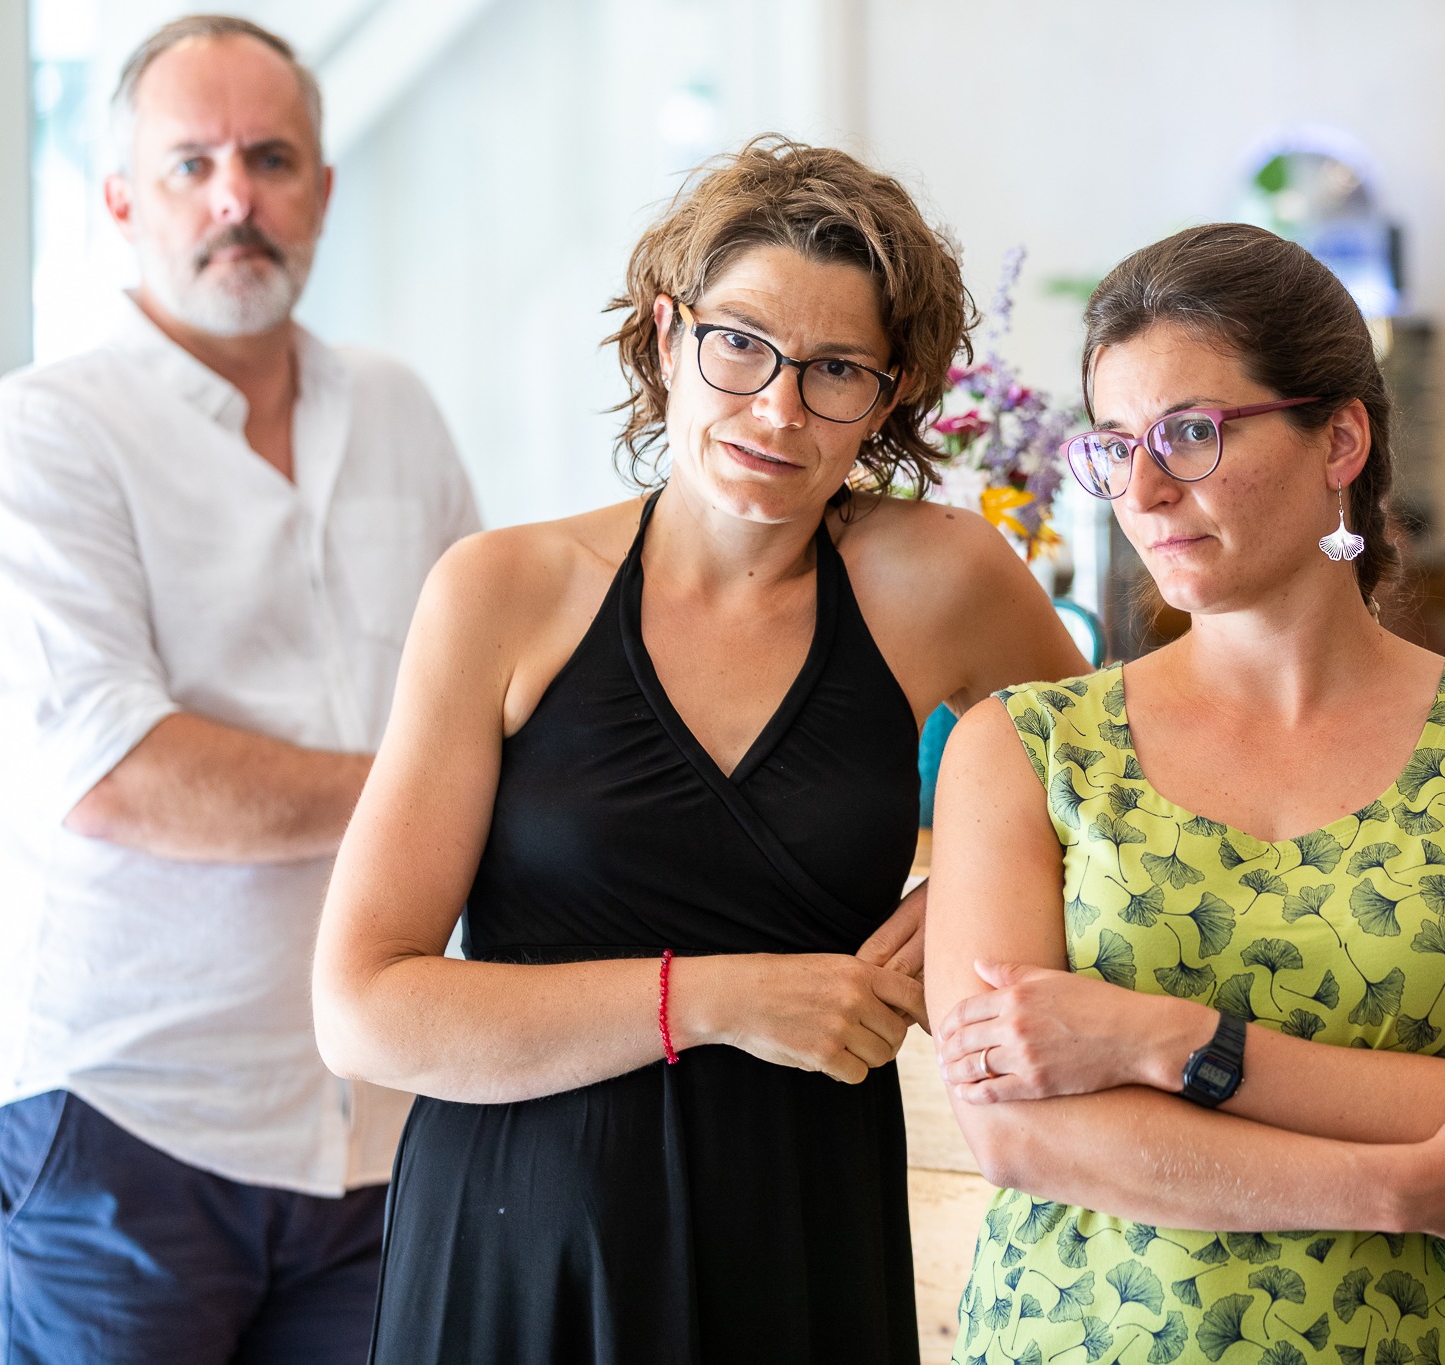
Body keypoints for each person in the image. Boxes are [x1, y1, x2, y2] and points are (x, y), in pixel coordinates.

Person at [309, 136, 1085, 1364]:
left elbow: (1119, 807)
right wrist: (724, 997)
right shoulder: (501, 590)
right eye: (741, 344)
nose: (777, 408)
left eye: (835, 370)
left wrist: (957, 905)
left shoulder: (942, 580)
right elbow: (364, 1012)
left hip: (797, 1221)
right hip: (519, 1241)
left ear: (889, 398)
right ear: (669, 337)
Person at [926, 223, 1445, 1364]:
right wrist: (1399, 1188)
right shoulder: (1025, 746)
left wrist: (1164, 1040)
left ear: (1340, 438)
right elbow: (1019, 1136)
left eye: (1190, 432)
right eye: (1115, 445)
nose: (1144, 490)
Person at [0, 15, 479, 1364]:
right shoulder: (38, 436)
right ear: (123, 201)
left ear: (322, 191)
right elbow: (118, 777)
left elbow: (490, 685)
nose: (235, 196)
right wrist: (443, 792)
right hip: (114, 1121)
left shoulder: (400, 411)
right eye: (190, 164)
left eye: (271, 159)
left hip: (374, 1125)